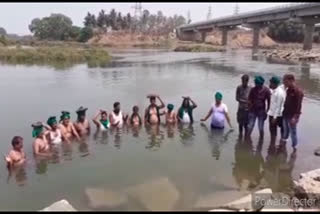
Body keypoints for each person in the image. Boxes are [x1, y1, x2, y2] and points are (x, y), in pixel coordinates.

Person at [281, 74, 304, 151]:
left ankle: (294, 148)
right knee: (285, 131)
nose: (284, 83)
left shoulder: (298, 92)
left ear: (291, 81)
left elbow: (299, 106)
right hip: (285, 114)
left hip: (292, 116)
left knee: (293, 133)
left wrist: (295, 118)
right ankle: (283, 146)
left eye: (285, 81)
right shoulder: (288, 90)